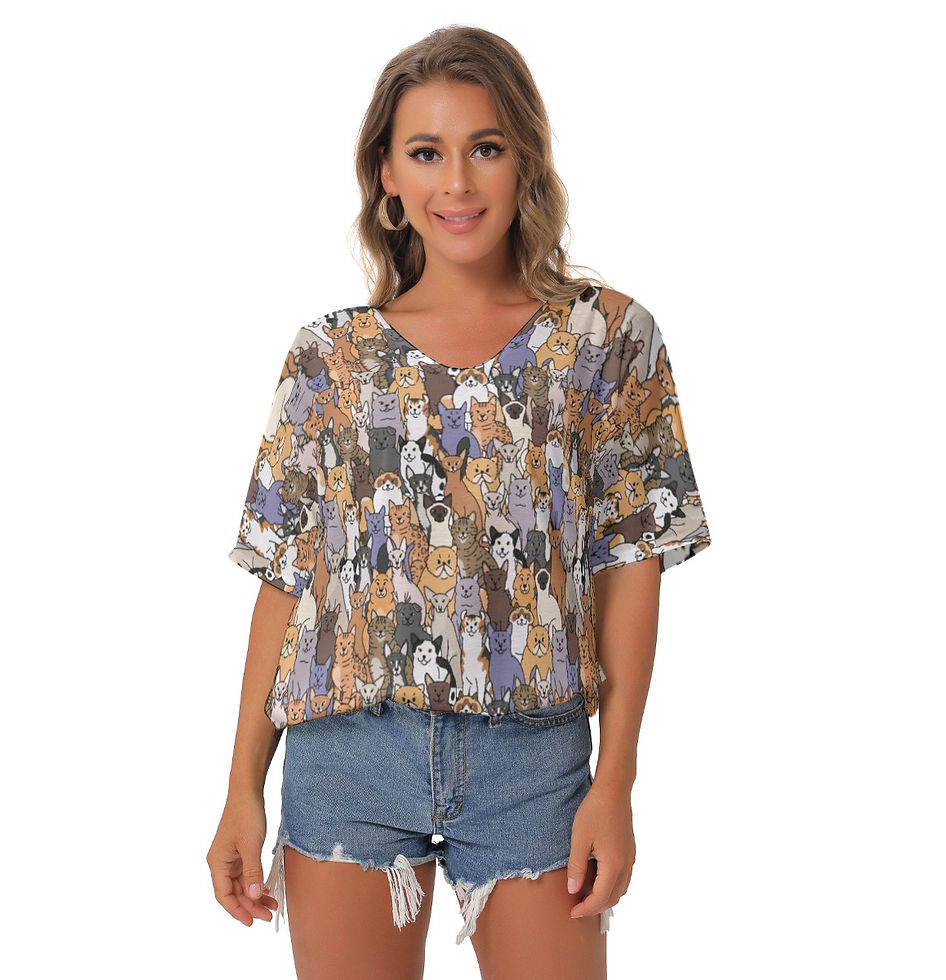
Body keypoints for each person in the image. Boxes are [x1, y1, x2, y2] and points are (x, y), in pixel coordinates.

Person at [207, 24, 711, 980]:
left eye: (485, 147)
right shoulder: (329, 358)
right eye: (426, 152)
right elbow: (286, 579)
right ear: (388, 176)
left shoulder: (606, 339)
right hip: (347, 756)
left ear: (525, 158)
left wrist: (617, 779)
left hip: (535, 762)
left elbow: (631, 565)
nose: (459, 183)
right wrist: (242, 786)